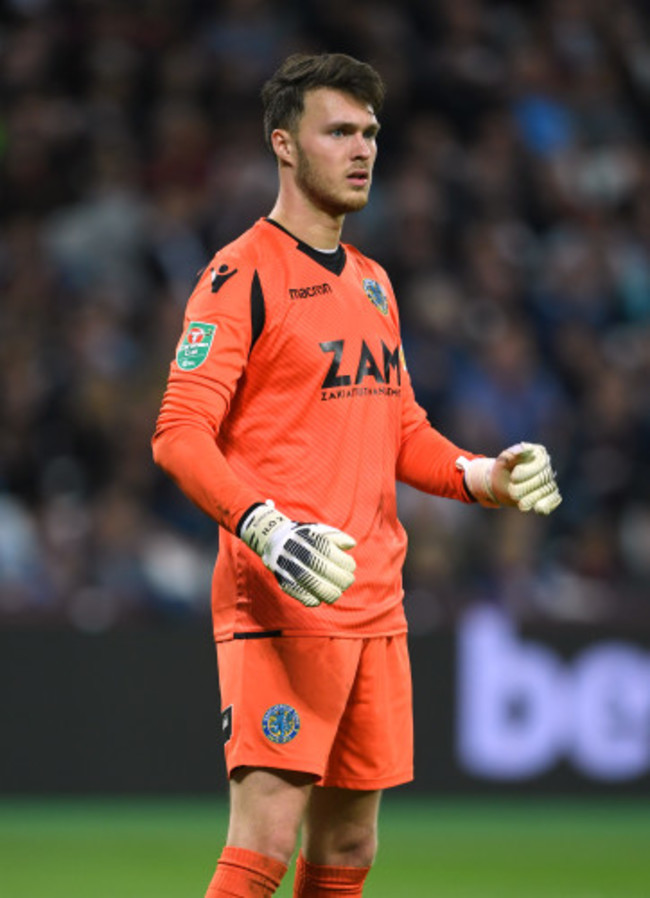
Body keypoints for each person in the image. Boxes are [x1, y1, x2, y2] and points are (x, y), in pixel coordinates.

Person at [152, 52, 561, 898]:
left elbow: (399, 430)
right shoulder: (238, 276)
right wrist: (264, 527)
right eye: (338, 130)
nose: (362, 148)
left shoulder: (374, 284)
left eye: (370, 132)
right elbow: (178, 435)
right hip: (284, 593)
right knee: (264, 838)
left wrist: (486, 475)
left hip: (375, 601)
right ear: (284, 146)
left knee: (347, 849)